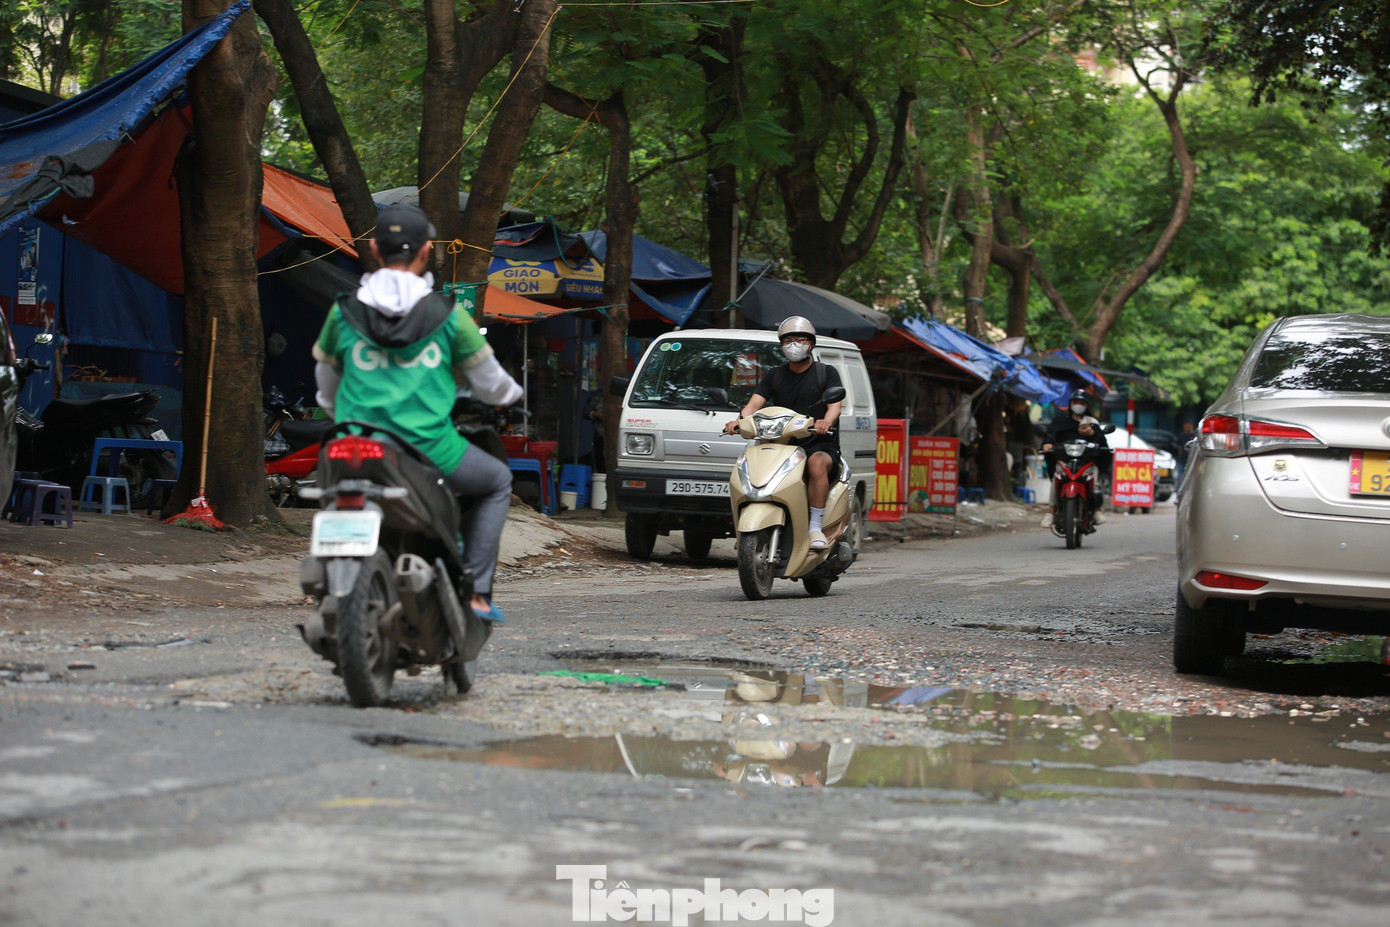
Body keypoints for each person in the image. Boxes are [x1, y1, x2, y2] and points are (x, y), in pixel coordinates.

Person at [312, 204, 523, 621]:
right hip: (427, 447)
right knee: (497, 481)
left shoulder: (344, 311)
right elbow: (492, 385)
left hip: (352, 444)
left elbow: (327, 384)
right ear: (427, 250)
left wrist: (343, 416)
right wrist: (509, 393)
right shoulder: (448, 317)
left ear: (374, 247)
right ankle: (477, 594)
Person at [723, 316, 843, 550]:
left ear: (811, 344)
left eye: (800, 339)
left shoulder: (826, 373)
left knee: (817, 464)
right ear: (781, 345)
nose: (794, 344)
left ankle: (815, 527)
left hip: (818, 442)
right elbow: (753, 405)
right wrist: (737, 422)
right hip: (781, 443)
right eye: (788, 340)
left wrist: (825, 422)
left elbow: (835, 405)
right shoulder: (774, 375)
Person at [1039, 389, 1110, 528]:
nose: (1078, 405)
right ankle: (1051, 513)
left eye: (1082, 402)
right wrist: (1047, 444)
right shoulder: (1060, 421)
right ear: (1070, 404)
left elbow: (1102, 443)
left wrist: (1092, 433)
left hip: (1086, 462)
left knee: (1094, 483)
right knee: (1056, 481)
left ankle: (1096, 511)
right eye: (1075, 402)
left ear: (1086, 405)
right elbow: (1051, 435)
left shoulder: (1091, 422)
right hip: (1064, 461)